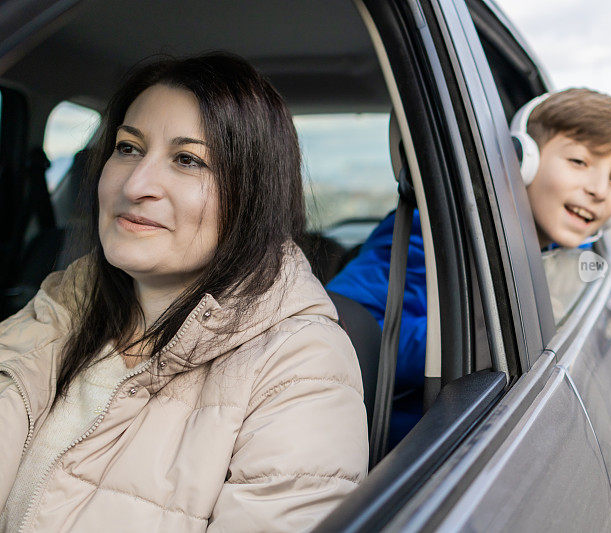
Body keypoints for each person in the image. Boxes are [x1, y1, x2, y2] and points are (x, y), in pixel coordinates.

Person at [0, 53, 367, 532]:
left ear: (251, 193)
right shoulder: (64, 301)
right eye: (128, 148)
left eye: (188, 159)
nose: (136, 184)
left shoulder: (302, 367)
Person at [327, 87, 611, 439]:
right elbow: (348, 330)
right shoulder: (436, 232)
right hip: (400, 445)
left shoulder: (567, 258)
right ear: (521, 160)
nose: (600, 190)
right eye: (579, 162)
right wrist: (483, 337)